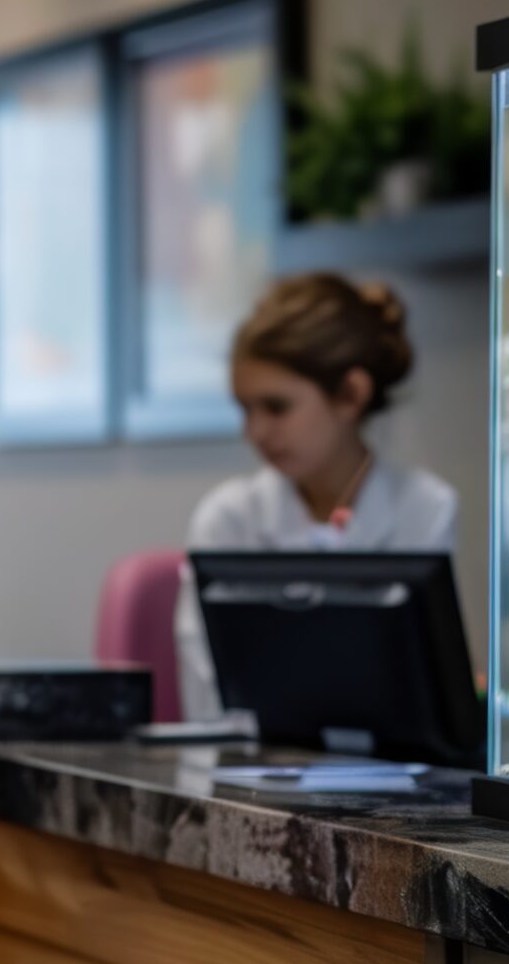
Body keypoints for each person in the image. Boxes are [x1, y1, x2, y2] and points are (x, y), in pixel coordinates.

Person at [176, 272, 459, 718]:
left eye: (276, 407)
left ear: (351, 395)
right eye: (245, 409)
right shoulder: (227, 519)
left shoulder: (424, 508)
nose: (255, 432)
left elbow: (425, 699)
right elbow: (209, 702)